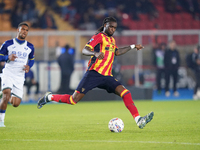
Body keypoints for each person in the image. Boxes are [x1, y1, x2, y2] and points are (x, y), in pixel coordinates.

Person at [37, 17, 154, 129]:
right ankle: (49, 97)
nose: (113, 29)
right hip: (94, 74)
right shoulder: (99, 36)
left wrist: (133, 46)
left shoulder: (112, 40)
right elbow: (84, 50)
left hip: (107, 76)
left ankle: (138, 120)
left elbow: (117, 52)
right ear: (105, 25)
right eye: (111, 27)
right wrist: (95, 53)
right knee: (73, 100)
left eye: (115, 28)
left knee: (126, 93)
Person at [0, 22, 35, 127]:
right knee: (6, 94)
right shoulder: (8, 43)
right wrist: (7, 58)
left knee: (15, 103)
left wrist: (29, 66)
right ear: (18, 30)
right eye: (23, 29)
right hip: (8, 73)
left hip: (20, 76)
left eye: (26, 30)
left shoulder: (30, 46)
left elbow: (32, 60)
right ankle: (1, 121)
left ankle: (5, 95)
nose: (24, 31)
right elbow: (0, 56)